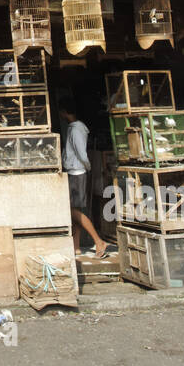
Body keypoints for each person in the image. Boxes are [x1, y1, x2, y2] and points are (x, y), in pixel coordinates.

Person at [61, 103, 108, 259]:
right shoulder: (74, 128)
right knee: (77, 211)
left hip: (77, 173)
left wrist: (87, 166)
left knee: (72, 211)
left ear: (65, 112)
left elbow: (81, 152)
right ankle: (76, 247)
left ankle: (98, 241)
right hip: (75, 171)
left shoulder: (75, 129)